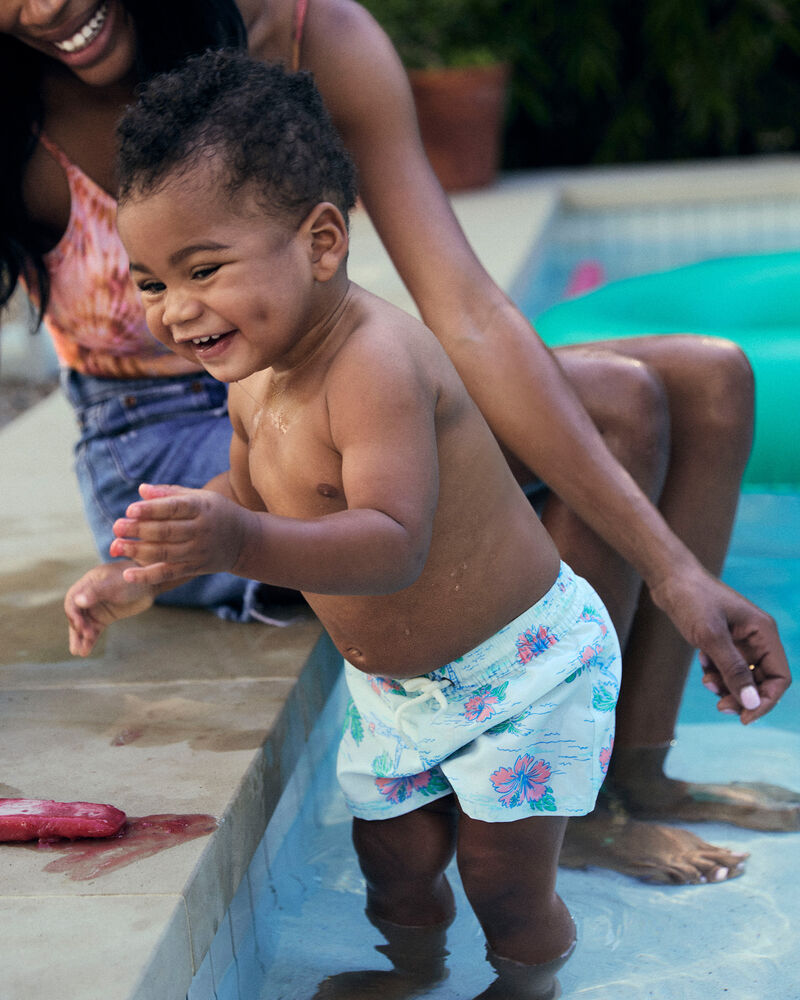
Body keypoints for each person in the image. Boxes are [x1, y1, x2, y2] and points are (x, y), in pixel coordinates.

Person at [2, 0, 795, 884]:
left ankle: (633, 777)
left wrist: (675, 568)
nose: (45, 6)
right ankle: (571, 808)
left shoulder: (316, 36)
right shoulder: (16, 99)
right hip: (161, 446)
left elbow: (466, 312)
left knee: (709, 379)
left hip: (314, 368)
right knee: (613, 404)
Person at [67, 51, 627, 997]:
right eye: (153, 282)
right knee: (395, 868)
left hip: (526, 669)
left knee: (503, 882)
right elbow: (246, 494)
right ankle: (412, 973)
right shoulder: (254, 379)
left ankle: (529, 982)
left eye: (203, 269)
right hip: (401, 692)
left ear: (323, 242)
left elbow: (389, 541)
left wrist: (238, 545)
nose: (177, 310)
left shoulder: (374, 364)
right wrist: (144, 570)